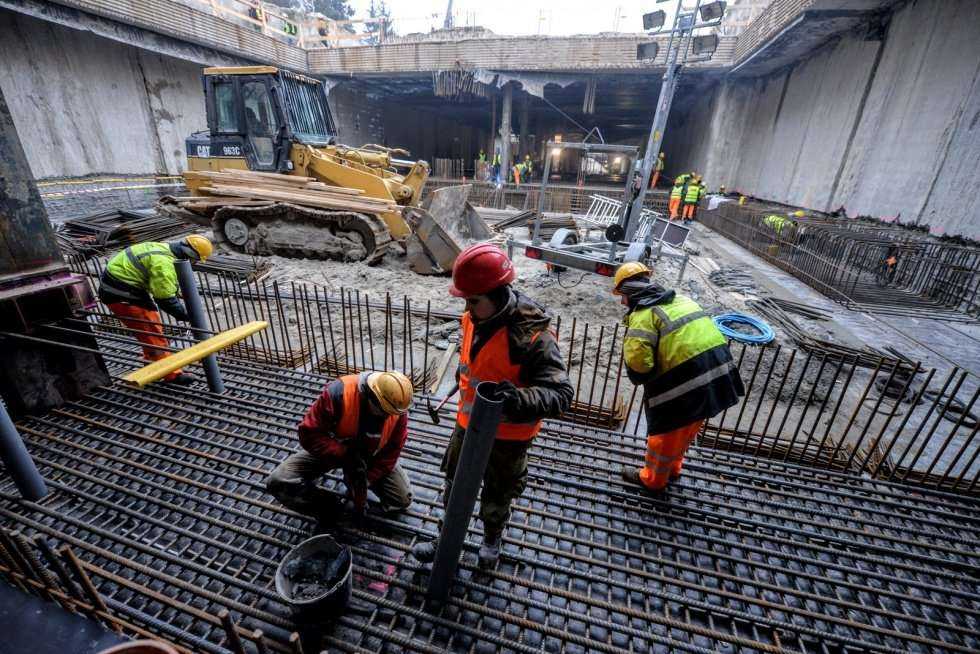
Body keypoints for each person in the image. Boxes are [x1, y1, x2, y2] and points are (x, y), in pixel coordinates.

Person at [412, 244, 574, 566]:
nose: (468, 308)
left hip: (508, 440)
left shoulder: (532, 337)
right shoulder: (472, 318)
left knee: (497, 494)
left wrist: (517, 399)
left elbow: (561, 394)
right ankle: (447, 535)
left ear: (497, 294)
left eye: (474, 300)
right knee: (454, 485)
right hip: (467, 427)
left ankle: (491, 538)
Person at [613, 262, 744, 493]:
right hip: (720, 369)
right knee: (688, 426)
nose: (622, 302)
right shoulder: (682, 300)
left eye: (622, 296)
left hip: (686, 377)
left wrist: (645, 376)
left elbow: (640, 365)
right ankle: (673, 467)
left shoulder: (643, 315)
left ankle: (653, 479)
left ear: (631, 294)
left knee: (664, 432)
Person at [266, 371, 414, 523]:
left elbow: (390, 454)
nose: (388, 416)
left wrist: (364, 481)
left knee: (401, 499)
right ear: (372, 397)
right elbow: (309, 434)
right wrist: (344, 455)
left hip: (370, 456)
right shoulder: (339, 393)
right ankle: (331, 507)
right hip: (333, 449)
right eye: (384, 412)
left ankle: (353, 496)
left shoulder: (396, 408)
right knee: (279, 481)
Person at [98, 236, 213, 385]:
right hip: (122, 294)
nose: (194, 263)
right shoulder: (164, 264)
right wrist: (187, 315)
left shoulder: (163, 247)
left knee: (148, 331)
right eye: (195, 260)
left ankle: (152, 363)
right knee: (152, 333)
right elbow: (164, 299)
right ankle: (172, 375)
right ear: (190, 254)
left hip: (119, 287)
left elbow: (162, 285)